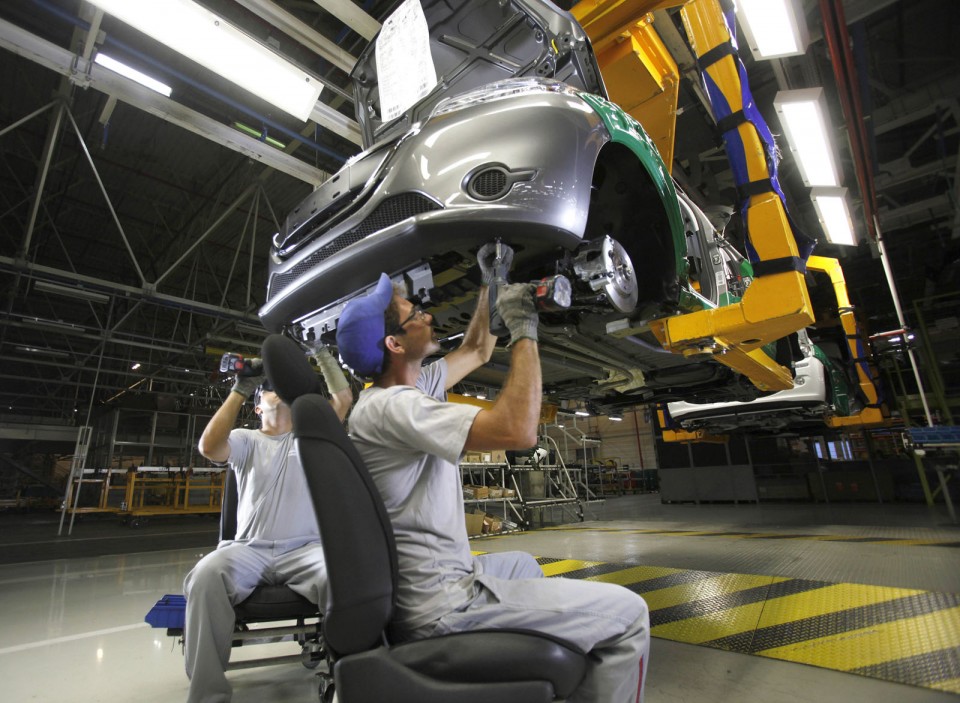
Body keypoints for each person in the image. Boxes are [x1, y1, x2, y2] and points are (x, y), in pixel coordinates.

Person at [334, 249, 650, 703]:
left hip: (435, 579)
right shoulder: (395, 407)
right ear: (394, 345)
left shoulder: (403, 388)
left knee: (521, 562)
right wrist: (524, 328)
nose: (426, 313)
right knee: (630, 614)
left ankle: (538, 667)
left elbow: (478, 349)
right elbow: (518, 431)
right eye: (413, 314)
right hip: (441, 605)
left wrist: (492, 281)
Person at [183, 347, 352, 703]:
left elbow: (342, 397)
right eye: (269, 390)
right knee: (205, 576)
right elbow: (208, 447)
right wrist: (241, 389)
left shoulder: (309, 437)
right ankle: (207, 696)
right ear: (258, 407)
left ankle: (349, 682)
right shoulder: (246, 440)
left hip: (305, 550)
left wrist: (319, 352)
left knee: (345, 578)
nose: (279, 392)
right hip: (249, 551)